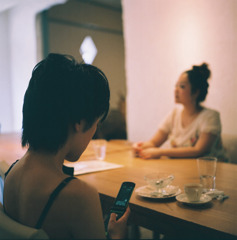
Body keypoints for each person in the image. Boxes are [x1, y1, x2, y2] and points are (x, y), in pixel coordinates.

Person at [3, 53, 130, 239]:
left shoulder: (10, 175)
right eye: (96, 124)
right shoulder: (79, 196)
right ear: (79, 121)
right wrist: (116, 235)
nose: (94, 133)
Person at [133, 63, 226, 161]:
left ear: (196, 92)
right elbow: (154, 142)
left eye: (182, 86)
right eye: (175, 86)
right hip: (181, 169)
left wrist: (161, 151)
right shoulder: (174, 114)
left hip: (210, 173)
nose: (175, 90)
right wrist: (140, 147)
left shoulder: (210, 117)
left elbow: (198, 150)